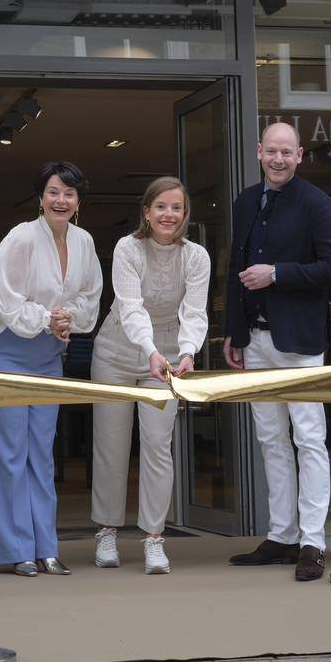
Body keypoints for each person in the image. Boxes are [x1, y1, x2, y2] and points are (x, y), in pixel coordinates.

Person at [223, 121, 331, 582]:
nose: (278, 159)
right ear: (259, 151)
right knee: (271, 441)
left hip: (298, 343)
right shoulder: (244, 201)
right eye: (271, 151)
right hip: (254, 341)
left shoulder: (317, 203)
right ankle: (282, 535)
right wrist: (234, 332)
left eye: (286, 152)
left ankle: (313, 542)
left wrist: (277, 273)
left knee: (309, 440)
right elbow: (235, 269)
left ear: (299, 156)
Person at [0, 161, 102, 576]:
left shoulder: (83, 241)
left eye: (69, 193)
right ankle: (17, 550)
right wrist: (49, 318)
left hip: (47, 354)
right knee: (10, 452)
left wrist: (66, 318)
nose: (61, 200)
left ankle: (46, 546)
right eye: (53, 192)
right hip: (6, 351)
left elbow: (90, 297)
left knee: (41, 453)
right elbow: (4, 298)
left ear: (79, 201)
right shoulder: (21, 237)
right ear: (40, 198)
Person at [91, 177, 210, 575]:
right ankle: (107, 530)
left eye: (176, 207)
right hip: (116, 352)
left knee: (158, 444)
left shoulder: (196, 256)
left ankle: (154, 537)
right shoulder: (128, 248)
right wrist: (150, 350)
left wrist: (188, 351)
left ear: (185, 214)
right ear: (146, 211)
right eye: (161, 206)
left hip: (168, 355)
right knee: (111, 443)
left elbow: (195, 312)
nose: (168, 215)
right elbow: (130, 307)